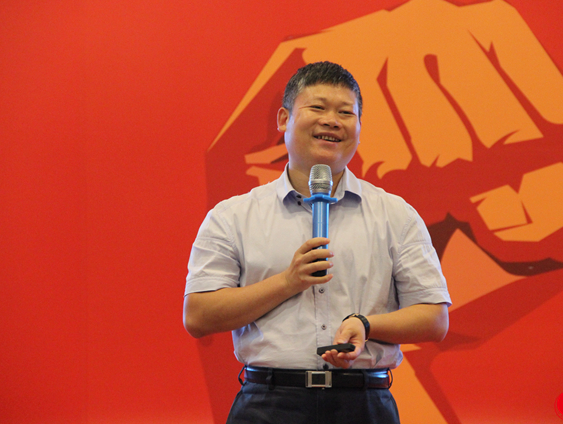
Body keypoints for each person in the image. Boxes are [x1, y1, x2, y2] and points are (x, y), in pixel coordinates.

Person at [183, 61, 451, 423]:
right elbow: (198, 315)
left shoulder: (395, 215)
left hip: (363, 404)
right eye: (318, 107)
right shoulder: (233, 216)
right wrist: (287, 282)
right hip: (269, 404)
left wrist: (366, 324)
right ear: (284, 119)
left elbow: (434, 318)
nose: (332, 121)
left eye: (346, 113)